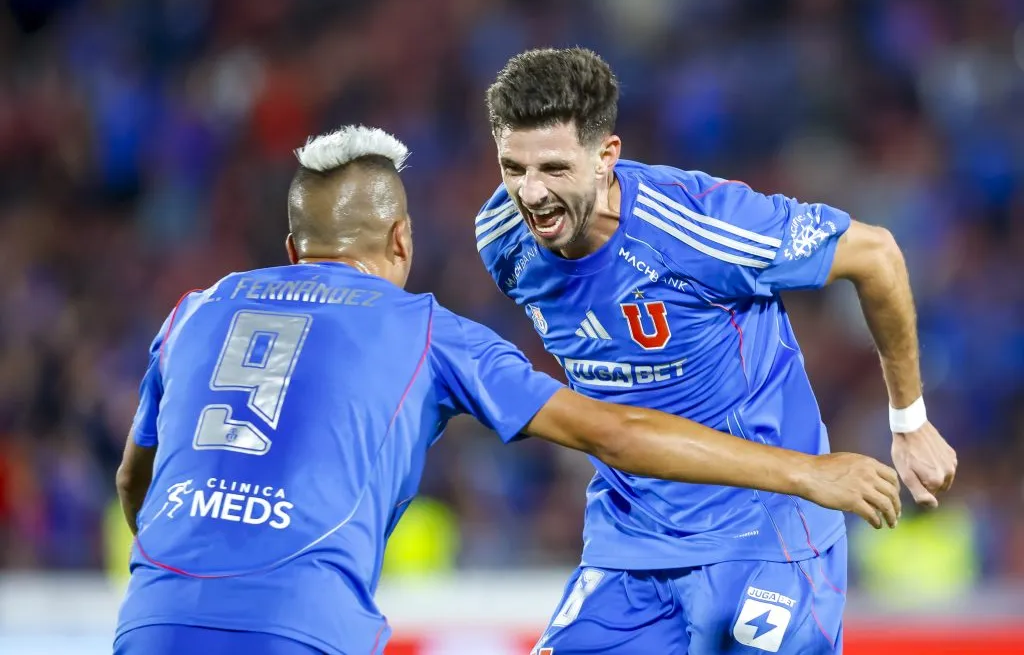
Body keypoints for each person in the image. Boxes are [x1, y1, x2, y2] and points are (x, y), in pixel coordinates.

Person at [111, 125, 900, 655]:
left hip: (147, 621)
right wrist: (806, 471)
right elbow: (614, 434)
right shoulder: (421, 327)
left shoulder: (195, 309)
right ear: (400, 240)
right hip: (304, 628)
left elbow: (133, 483)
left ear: (291, 247)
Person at [476, 48, 958, 655]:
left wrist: (909, 420)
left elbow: (877, 255)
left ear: (606, 158)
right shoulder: (501, 240)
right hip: (632, 547)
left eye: (553, 168)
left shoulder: (699, 222)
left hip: (769, 531)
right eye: (512, 168)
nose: (531, 194)